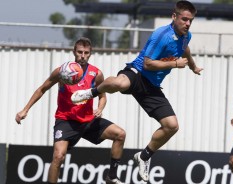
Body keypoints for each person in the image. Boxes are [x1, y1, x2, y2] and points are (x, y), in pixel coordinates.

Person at [71, 1, 203, 182]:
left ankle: (144, 156)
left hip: (152, 87)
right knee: (119, 83)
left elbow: (185, 49)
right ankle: (91, 92)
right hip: (138, 73)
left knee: (172, 126)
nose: (187, 24)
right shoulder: (161, 34)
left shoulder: (186, 36)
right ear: (174, 16)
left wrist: (193, 67)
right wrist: (175, 64)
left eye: (191, 21)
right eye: (184, 19)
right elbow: (148, 63)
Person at [15, 37, 126, 184]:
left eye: (86, 52)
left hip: (87, 120)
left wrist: (99, 108)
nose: (82, 55)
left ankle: (111, 176)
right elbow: (42, 89)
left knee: (120, 134)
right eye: (79, 52)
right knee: (58, 157)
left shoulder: (96, 74)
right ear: (74, 52)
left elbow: (103, 97)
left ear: (90, 54)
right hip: (66, 121)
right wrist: (25, 110)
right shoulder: (62, 72)